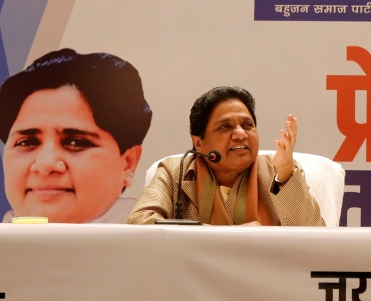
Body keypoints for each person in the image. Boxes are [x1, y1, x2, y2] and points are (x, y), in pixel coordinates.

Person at [0, 49, 152, 223]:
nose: (45, 165)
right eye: (26, 142)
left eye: (76, 142)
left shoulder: (156, 240)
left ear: (128, 163)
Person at [127, 86, 324, 226]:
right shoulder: (175, 172)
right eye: (225, 126)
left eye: (247, 125)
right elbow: (138, 222)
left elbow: (314, 237)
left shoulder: (279, 171)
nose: (240, 134)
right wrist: (229, 236)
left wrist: (286, 175)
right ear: (198, 142)